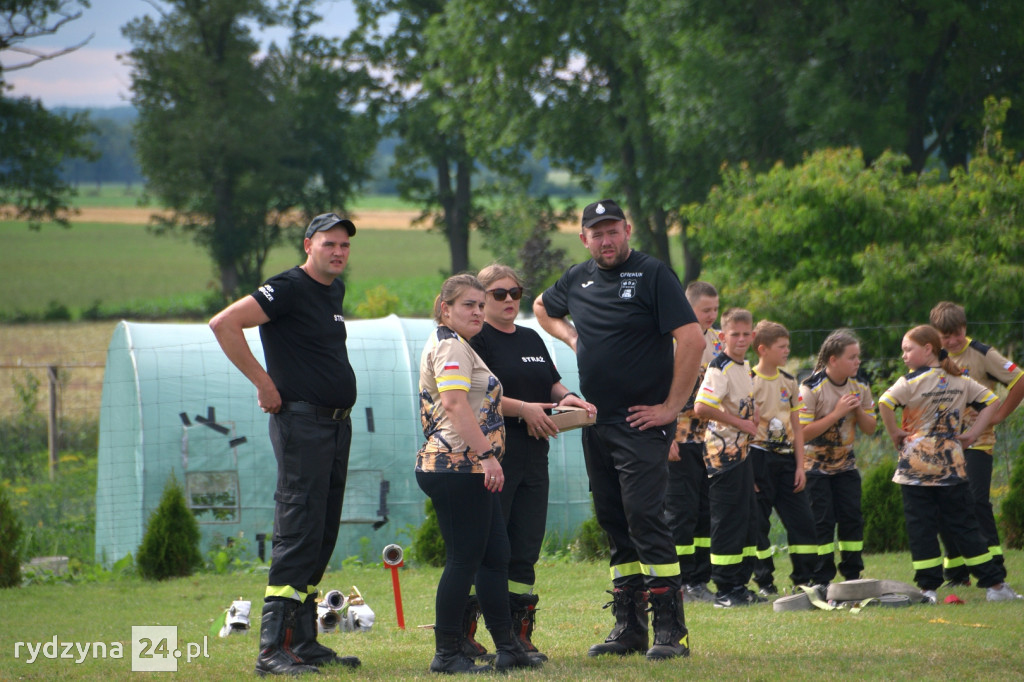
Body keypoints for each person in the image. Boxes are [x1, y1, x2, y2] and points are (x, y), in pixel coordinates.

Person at [534, 199, 703, 661]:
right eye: (597, 233)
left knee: (645, 517)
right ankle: (629, 627)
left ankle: (672, 630)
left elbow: (692, 339)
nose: (606, 241)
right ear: (584, 239)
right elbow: (540, 307)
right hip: (596, 420)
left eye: (614, 231)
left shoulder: (653, 274)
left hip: (641, 422)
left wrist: (672, 407)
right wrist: (570, 337)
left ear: (628, 230)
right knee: (614, 519)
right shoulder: (577, 278)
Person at [209, 212, 361, 676]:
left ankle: (303, 640)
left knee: (321, 530)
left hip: (336, 426)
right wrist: (264, 383)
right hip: (302, 425)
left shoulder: (332, 290)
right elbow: (224, 324)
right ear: (307, 244)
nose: (338, 251)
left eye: (345, 245)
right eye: (329, 243)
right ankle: (272, 649)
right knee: (297, 530)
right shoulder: (289, 287)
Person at [467, 263, 596, 660]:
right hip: (495, 454)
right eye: (499, 294)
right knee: (488, 547)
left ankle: (519, 633)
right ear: (482, 298)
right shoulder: (475, 340)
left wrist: (568, 397)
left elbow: (550, 383)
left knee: (525, 545)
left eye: (516, 292)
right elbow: (475, 398)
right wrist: (524, 409)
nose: (509, 300)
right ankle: (464, 633)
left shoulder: (531, 337)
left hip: (534, 452)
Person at [416, 273, 540, 674]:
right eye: (469, 304)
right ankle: (447, 653)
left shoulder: (462, 347)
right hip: (457, 467)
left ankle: (507, 648)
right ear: (445, 308)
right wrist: (488, 455)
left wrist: (525, 410)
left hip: (468, 466)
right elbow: (454, 404)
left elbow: (480, 402)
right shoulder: (451, 346)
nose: (478, 311)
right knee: (464, 560)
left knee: (494, 557)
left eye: (480, 305)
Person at [877, 324, 1020, 602]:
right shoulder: (960, 380)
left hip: (915, 470)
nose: (904, 355)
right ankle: (995, 587)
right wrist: (972, 435)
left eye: (908, 349)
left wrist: (895, 432)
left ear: (928, 349)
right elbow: (991, 402)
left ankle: (927, 589)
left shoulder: (910, 382)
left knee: (922, 528)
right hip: (951, 467)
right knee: (965, 525)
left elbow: (885, 402)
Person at [929, 301, 1024, 586]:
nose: (953, 341)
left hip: (978, 444)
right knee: (945, 505)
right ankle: (957, 573)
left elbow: (1019, 379)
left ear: (964, 328)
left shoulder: (982, 354)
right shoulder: (932, 356)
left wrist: (999, 414)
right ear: (936, 335)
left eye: (957, 334)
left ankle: (994, 569)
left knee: (976, 500)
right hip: (943, 445)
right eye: (946, 337)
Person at [693, 308, 763, 607]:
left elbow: (739, 403)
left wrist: (753, 414)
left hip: (742, 453)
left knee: (747, 518)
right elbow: (701, 407)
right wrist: (742, 423)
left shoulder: (744, 366)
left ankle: (740, 584)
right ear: (723, 337)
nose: (741, 339)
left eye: (746, 334)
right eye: (735, 334)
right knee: (727, 520)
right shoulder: (719, 367)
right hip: (723, 455)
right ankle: (724, 588)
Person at [798, 329, 877, 586]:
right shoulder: (810, 388)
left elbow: (870, 428)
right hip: (814, 468)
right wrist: (837, 413)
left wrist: (859, 412)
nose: (858, 362)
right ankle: (821, 578)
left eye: (858, 357)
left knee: (852, 518)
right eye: (852, 357)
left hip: (845, 466)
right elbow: (803, 433)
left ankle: (852, 574)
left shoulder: (861, 385)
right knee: (822, 522)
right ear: (833, 360)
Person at [748, 320, 820, 593]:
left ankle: (804, 579)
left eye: (788, 346)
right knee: (758, 524)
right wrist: (748, 470)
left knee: (803, 521)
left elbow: (797, 428)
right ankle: (764, 581)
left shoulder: (789, 382)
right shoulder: (748, 380)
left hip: (787, 460)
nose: (787, 351)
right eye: (782, 347)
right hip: (758, 458)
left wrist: (800, 466)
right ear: (763, 349)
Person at [666, 281, 720, 603]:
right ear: (690, 308)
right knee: (679, 513)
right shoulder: (675, 340)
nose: (712, 315)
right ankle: (678, 582)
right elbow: (661, 388)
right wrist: (667, 436)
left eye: (715, 309)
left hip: (710, 442)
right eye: (705, 310)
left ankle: (700, 581)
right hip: (679, 440)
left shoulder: (717, 341)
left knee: (705, 512)